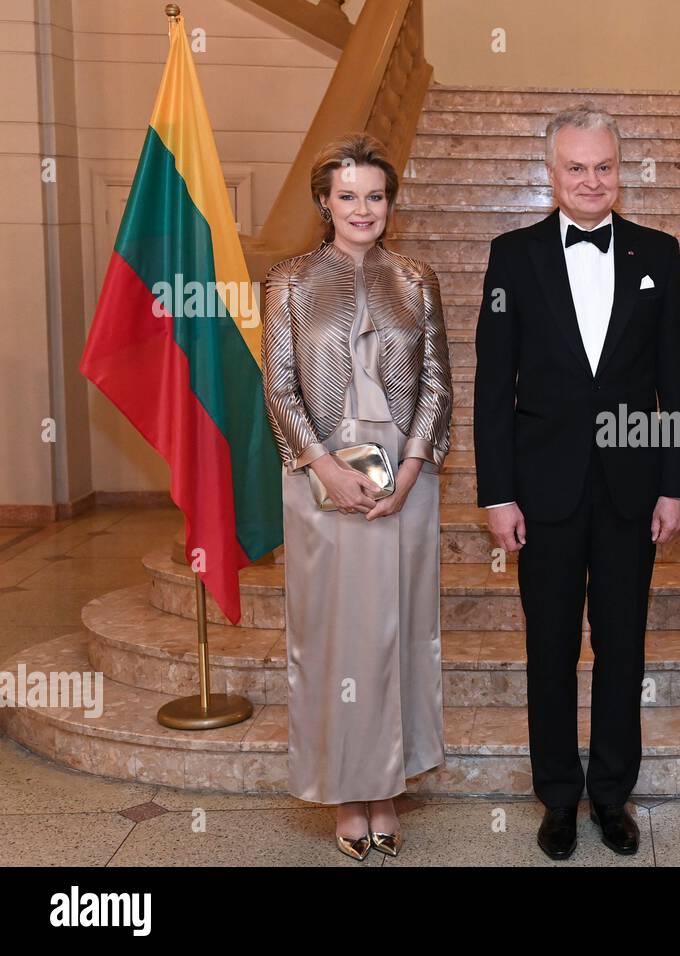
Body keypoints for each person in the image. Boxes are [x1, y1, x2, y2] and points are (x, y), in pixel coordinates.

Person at [473, 104, 680, 859]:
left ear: (620, 170)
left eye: (603, 167)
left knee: (623, 647)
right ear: (552, 172)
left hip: (635, 488)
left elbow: (678, 381)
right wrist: (497, 492)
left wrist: (677, 485)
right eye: (576, 167)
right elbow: (490, 388)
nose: (591, 180)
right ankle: (558, 797)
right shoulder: (513, 256)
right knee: (551, 648)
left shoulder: (659, 253)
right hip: (543, 490)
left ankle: (612, 794)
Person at [262, 132, 452, 861]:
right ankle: (345, 791)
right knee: (334, 639)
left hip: (405, 486)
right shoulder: (287, 281)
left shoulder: (415, 280)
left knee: (398, 632)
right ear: (324, 202)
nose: (362, 208)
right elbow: (279, 388)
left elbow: (437, 384)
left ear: (390, 204)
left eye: (375, 196)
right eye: (348, 196)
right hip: (320, 486)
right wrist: (324, 469)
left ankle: (387, 785)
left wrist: (408, 472)